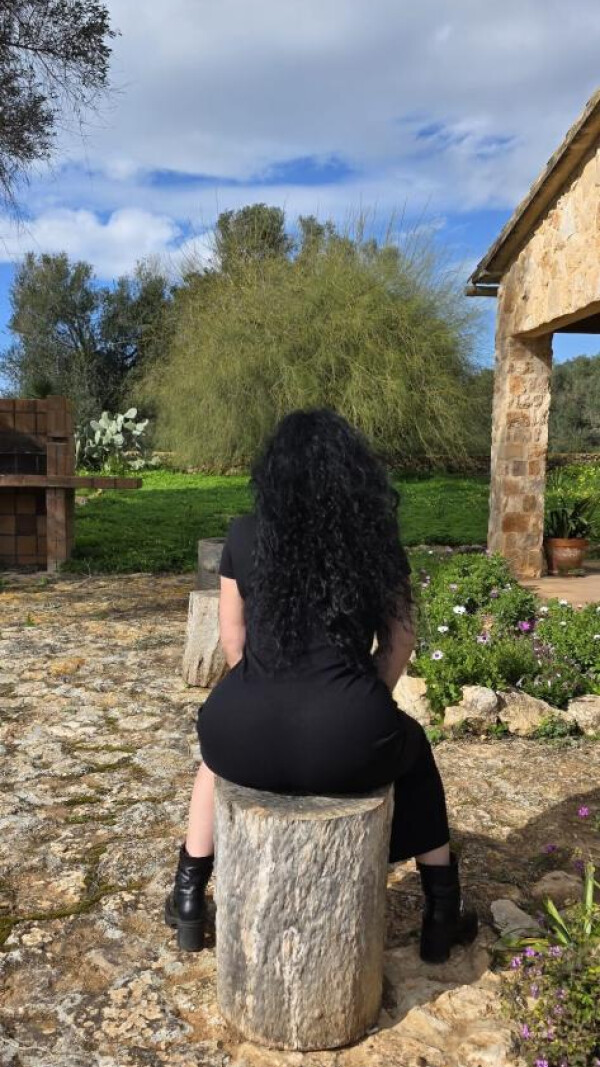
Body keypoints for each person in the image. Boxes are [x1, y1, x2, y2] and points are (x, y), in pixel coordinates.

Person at [165, 408, 477, 962]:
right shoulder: (375, 539)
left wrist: (263, 691)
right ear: (352, 471)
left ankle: (188, 895)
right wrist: (363, 697)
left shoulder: (244, 534)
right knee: (416, 752)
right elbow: (401, 638)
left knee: (212, 760)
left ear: (274, 472)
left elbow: (234, 643)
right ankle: (441, 912)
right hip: (347, 736)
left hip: (244, 730)